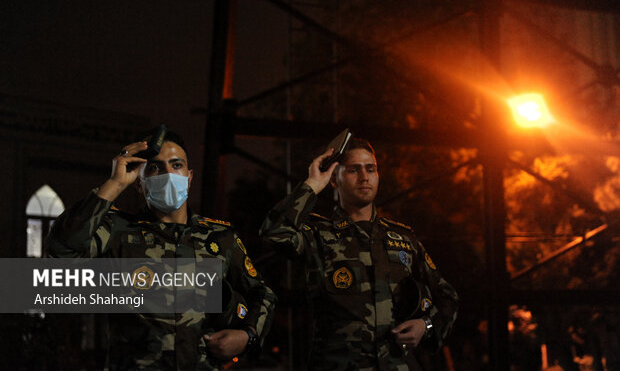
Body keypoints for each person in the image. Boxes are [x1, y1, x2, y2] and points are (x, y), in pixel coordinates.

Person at [46, 129, 276, 370]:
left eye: (176, 165)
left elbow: (262, 294)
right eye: (155, 168)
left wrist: (248, 336)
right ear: (138, 183)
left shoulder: (219, 238)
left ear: (189, 177)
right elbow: (62, 249)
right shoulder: (116, 231)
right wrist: (114, 183)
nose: (168, 174)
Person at [260, 138, 458, 370]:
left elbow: (448, 296)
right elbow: (273, 233)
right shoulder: (317, 234)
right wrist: (313, 183)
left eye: (370, 169)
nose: (364, 177)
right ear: (335, 179)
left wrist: (426, 326)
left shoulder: (403, 238)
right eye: (354, 170)